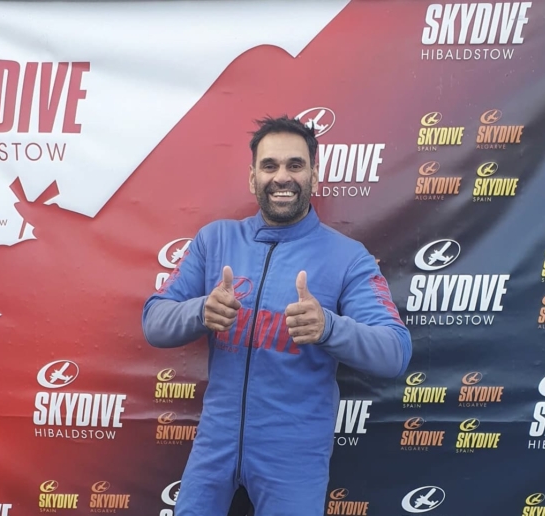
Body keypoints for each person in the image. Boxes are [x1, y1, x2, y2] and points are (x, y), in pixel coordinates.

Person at [142, 115, 412, 516]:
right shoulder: (215, 239)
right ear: (253, 177)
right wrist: (201, 311)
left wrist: (329, 327)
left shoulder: (347, 257)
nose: (281, 177)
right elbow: (154, 321)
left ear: (314, 176)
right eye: (269, 166)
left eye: (295, 165)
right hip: (215, 442)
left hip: (294, 452)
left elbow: (394, 352)